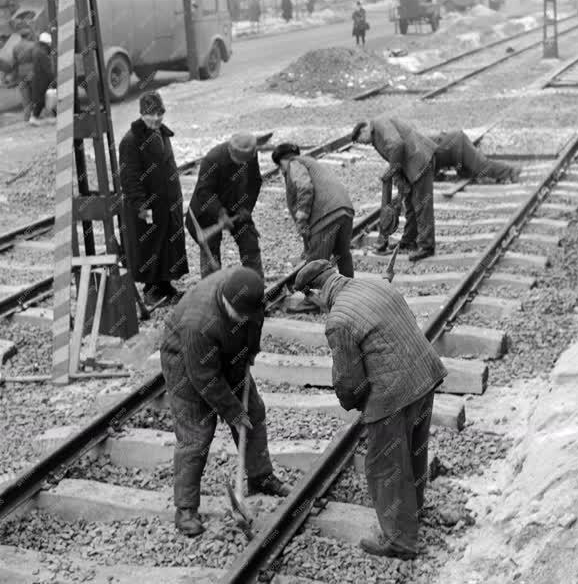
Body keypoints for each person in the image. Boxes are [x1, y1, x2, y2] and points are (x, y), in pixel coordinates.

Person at [294, 260, 448, 560]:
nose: (315, 306)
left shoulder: (338, 320)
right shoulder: (376, 283)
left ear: (315, 292)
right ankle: (412, 513)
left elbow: (349, 381)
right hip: (424, 376)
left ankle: (401, 542)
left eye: (310, 300)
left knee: (384, 465)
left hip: (392, 395)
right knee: (415, 449)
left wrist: (351, 402)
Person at [160, 265, 290, 537]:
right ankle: (185, 508)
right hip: (185, 359)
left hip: (231, 348)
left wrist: (250, 352)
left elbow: (255, 323)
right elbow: (205, 379)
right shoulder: (198, 323)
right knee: (197, 431)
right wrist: (232, 411)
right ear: (225, 303)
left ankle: (260, 477)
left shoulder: (251, 296)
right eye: (238, 316)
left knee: (253, 411)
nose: (245, 318)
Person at [118, 92, 188, 306]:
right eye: (151, 114)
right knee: (150, 247)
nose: (156, 118)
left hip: (166, 205)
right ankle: (151, 290)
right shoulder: (131, 141)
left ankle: (165, 286)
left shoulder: (162, 134)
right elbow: (130, 180)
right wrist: (143, 210)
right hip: (147, 207)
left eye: (159, 113)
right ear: (141, 114)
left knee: (168, 245)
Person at [352, 117, 437, 261]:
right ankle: (409, 240)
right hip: (410, 167)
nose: (364, 144)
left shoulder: (379, 124)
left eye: (361, 140)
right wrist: (397, 177)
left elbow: (397, 145)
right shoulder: (376, 135)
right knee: (410, 204)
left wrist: (391, 171)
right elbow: (395, 151)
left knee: (422, 205)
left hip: (419, 162)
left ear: (364, 129)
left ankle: (427, 246)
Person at [272, 142, 354, 279]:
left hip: (327, 215)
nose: (282, 171)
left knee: (317, 262)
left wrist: (301, 216)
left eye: (280, 166)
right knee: (342, 254)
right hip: (345, 209)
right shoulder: (310, 162)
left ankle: (313, 298)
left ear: (282, 161)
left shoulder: (294, 163)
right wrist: (306, 242)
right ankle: (350, 290)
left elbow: (305, 188)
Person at [186, 132, 264, 279]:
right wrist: (220, 213)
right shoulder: (213, 159)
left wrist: (246, 207)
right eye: (238, 161)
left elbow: (255, 182)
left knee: (250, 243)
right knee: (211, 254)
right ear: (230, 151)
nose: (241, 165)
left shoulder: (251, 155)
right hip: (207, 210)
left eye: (244, 161)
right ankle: (211, 291)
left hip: (236, 205)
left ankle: (255, 284)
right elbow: (204, 192)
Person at [429, 131, 520, 183]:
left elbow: (429, 166)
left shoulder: (419, 153)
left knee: (481, 167)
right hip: (454, 150)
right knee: (467, 174)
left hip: (458, 145)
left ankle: (511, 171)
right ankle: (500, 176)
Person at [29, 31, 56, 126]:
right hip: (42, 80)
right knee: (42, 99)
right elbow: (47, 69)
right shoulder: (42, 53)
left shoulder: (37, 50)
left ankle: (39, 117)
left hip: (38, 79)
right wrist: (53, 79)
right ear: (47, 43)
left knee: (41, 98)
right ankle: (34, 117)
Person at [12, 26, 36, 123]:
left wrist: (14, 76)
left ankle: (27, 117)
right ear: (28, 35)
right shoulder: (33, 45)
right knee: (34, 94)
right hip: (32, 71)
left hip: (21, 72)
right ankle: (36, 116)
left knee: (25, 96)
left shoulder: (15, 47)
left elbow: (15, 62)